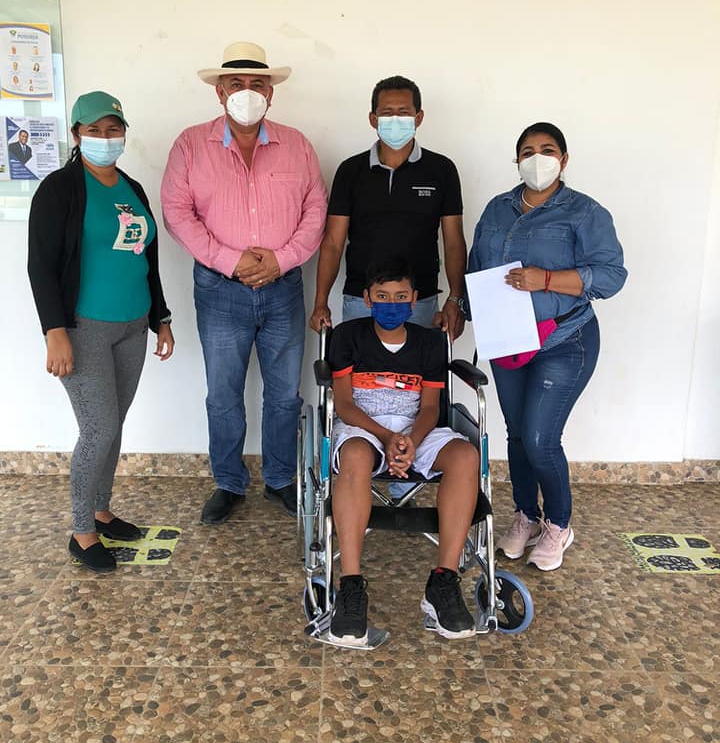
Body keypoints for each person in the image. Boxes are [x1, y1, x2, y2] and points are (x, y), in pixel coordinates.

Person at [161, 41, 327, 525]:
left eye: (258, 84)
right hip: (219, 290)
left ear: (271, 93)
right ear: (219, 91)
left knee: (284, 394)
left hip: (284, 287)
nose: (247, 92)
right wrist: (231, 261)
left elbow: (315, 210)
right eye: (236, 84)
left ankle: (279, 479)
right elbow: (177, 213)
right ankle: (229, 482)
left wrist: (282, 259)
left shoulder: (297, 145)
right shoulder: (190, 145)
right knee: (223, 394)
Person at [468, 122, 627, 571]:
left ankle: (559, 523)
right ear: (517, 160)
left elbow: (612, 276)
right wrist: (460, 306)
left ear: (564, 159)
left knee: (540, 439)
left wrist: (549, 280)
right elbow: (478, 265)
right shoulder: (496, 209)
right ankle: (526, 515)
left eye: (548, 150)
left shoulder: (585, 213)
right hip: (509, 339)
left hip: (564, 339)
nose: (537, 159)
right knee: (517, 435)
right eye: (527, 151)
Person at [27, 90, 175, 573]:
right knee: (99, 428)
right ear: (77, 134)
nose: (106, 138)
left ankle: (101, 510)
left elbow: (147, 258)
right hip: (83, 327)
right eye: (94, 130)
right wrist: (54, 331)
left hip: (133, 324)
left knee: (115, 422)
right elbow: (41, 265)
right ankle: (81, 531)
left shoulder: (132, 187)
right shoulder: (60, 189)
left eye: (114, 129)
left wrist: (160, 318)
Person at [327, 257, 479, 644]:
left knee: (466, 457)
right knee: (355, 456)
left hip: (417, 428)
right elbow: (343, 404)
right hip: (363, 427)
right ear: (367, 298)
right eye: (382, 296)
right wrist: (384, 436)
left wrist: (411, 440)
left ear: (413, 300)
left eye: (400, 296)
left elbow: (429, 408)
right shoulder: (347, 336)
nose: (391, 304)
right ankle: (350, 587)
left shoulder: (428, 343)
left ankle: (443, 582)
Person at [311, 75, 467, 340]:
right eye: (387, 113)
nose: (395, 120)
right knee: (358, 367)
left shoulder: (442, 170)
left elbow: (453, 242)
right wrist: (320, 302)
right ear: (373, 119)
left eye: (404, 112)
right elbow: (333, 243)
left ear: (418, 117)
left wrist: (455, 299)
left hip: (419, 300)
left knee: (419, 367)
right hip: (362, 300)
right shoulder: (351, 171)